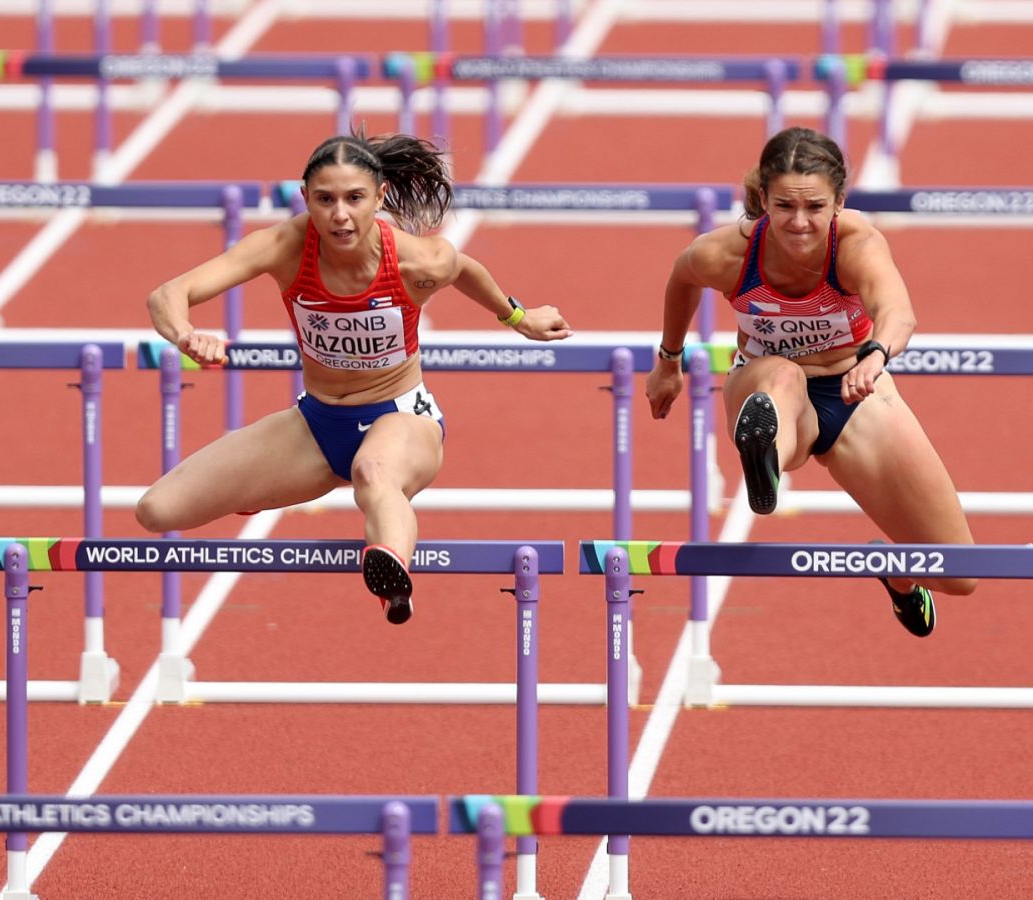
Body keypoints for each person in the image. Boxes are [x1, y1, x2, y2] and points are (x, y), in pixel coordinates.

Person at [134, 129, 571, 624]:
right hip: (317, 424)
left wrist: (518, 317)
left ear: (379, 197)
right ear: (305, 199)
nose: (340, 215)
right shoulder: (282, 247)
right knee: (158, 510)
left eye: (354, 199)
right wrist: (186, 334)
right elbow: (168, 294)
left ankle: (393, 578)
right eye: (325, 200)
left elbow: (463, 269)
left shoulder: (417, 259)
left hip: (401, 417)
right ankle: (264, 489)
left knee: (373, 473)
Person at [645, 126, 975, 637]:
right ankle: (768, 458)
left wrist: (877, 353)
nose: (799, 223)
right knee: (781, 376)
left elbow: (898, 311)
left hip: (856, 388)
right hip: (767, 383)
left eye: (815, 208)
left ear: (839, 201)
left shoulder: (855, 243)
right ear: (764, 201)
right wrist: (668, 360)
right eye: (784, 207)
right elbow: (680, 277)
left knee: (960, 573)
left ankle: (898, 574)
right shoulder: (727, 254)